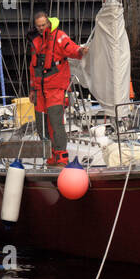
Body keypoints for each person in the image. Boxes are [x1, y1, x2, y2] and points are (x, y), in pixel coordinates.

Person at [28, 10, 88, 166]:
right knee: (42, 125)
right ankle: (49, 156)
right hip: (40, 91)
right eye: (38, 26)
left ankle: (61, 156)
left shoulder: (59, 37)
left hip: (55, 88)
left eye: (43, 25)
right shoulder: (36, 42)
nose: (41, 28)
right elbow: (33, 68)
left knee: (56, 122)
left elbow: (72, 48)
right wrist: (32, 89)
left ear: (48, 23)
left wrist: (80, 51)